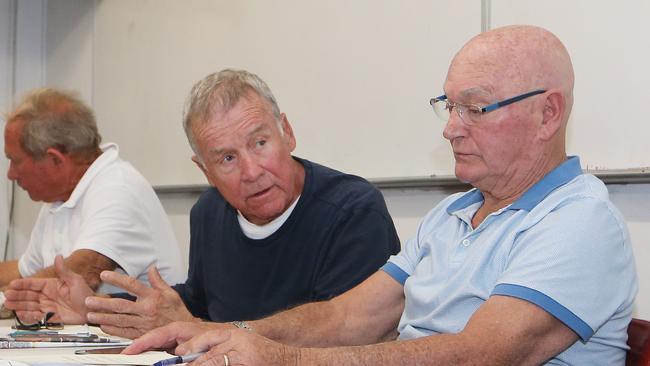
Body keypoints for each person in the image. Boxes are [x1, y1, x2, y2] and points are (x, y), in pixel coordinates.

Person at [121, 25, 638, 365]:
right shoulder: (451, 214)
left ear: (547, 113)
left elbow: (478, 355)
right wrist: (224, 335)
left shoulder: (579, 221)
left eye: (475, 109)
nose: (451, 130)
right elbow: (349, 316)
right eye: (448, 106)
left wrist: (280, 358)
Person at [5, 70, 400, 338]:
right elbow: (198, 299)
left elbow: (347, 332)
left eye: (260, 143)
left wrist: (198, 328)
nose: (250, 170)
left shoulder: (352, 210)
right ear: (204, 170)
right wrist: (93, 307)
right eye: (226, 158)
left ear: (288, 133)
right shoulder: (209, 212)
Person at [0, 88, 185, 299]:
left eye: (15, 161)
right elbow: (25, 271)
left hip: (144, 331)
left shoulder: (118, 188)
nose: (10, 174)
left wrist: (6, 298)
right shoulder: (58, 200)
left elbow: (78, 276)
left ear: (56, 160)